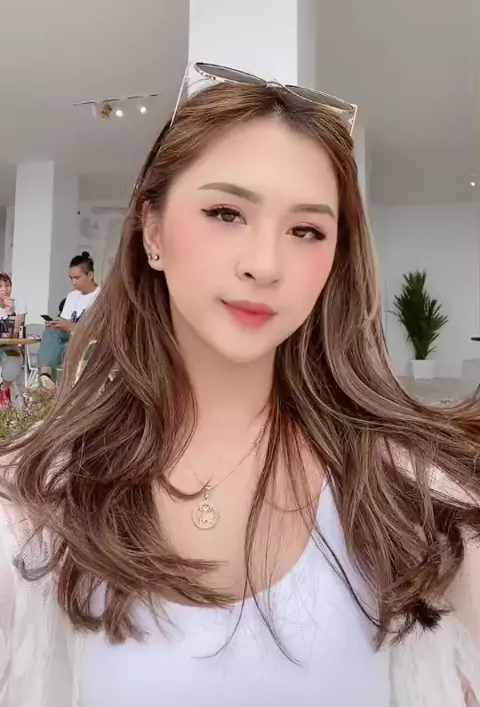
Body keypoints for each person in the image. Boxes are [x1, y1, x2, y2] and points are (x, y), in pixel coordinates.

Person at [0, 70, 479, 707]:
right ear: (152, 232)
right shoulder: (38, 498)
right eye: (226, 213)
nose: (265, 265)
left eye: (306, 230)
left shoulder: (405, 488)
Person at [38, 251, 100, 386]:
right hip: (68, 340)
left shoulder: (101, 297)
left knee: (71, 345)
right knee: (50, 331)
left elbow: (97, 332)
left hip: (88, 343)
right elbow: (64, 323)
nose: (73, 282)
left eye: (77, 278)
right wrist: (57, 324)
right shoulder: (72, 296)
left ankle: (57, 384)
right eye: (71, 278)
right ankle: (46, 376)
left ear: (90, 275)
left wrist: (71, 327)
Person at [0, 272, 27, 405]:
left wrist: (10, 312)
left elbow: (16, 332)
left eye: (7, 285)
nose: (4, 289)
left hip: (9, 346)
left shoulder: (19, 304)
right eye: (0, 286)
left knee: (14, 360)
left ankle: (3, 390)